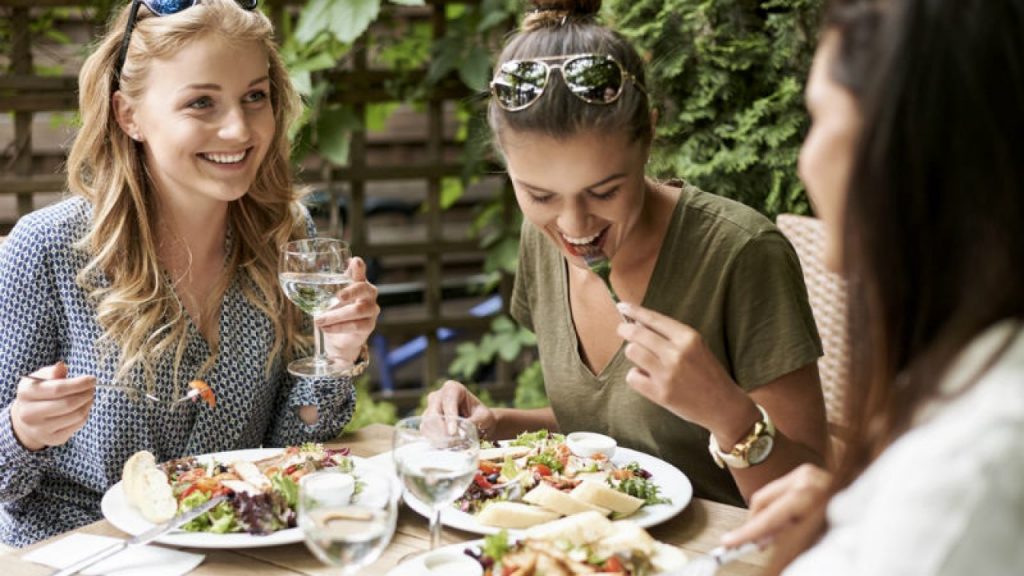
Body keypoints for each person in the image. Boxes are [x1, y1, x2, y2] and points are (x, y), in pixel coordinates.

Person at [0, 0, 379, 547]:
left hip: (231, 550)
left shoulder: (285, 238)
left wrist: (337, 358)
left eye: (255, 97)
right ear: (129, 116)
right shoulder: (49, 249)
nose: (239, 129)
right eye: (201, 102)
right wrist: (22, 431)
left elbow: (284, 452)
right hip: (79, 554)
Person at [426, 0, 830, 507]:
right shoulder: (542, 240)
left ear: (649, 137)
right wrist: (493, 426)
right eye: (540, 196)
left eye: (604, 192)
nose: (574, 227)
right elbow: (614, 434)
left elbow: (814, 503)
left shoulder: (742, 253)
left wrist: (730, 415)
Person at [720, 0, 1024, 573]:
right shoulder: (966, 388)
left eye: (817, 118)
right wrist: (855, 512)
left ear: (899, 147)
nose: (804, 161)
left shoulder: (966, 473)